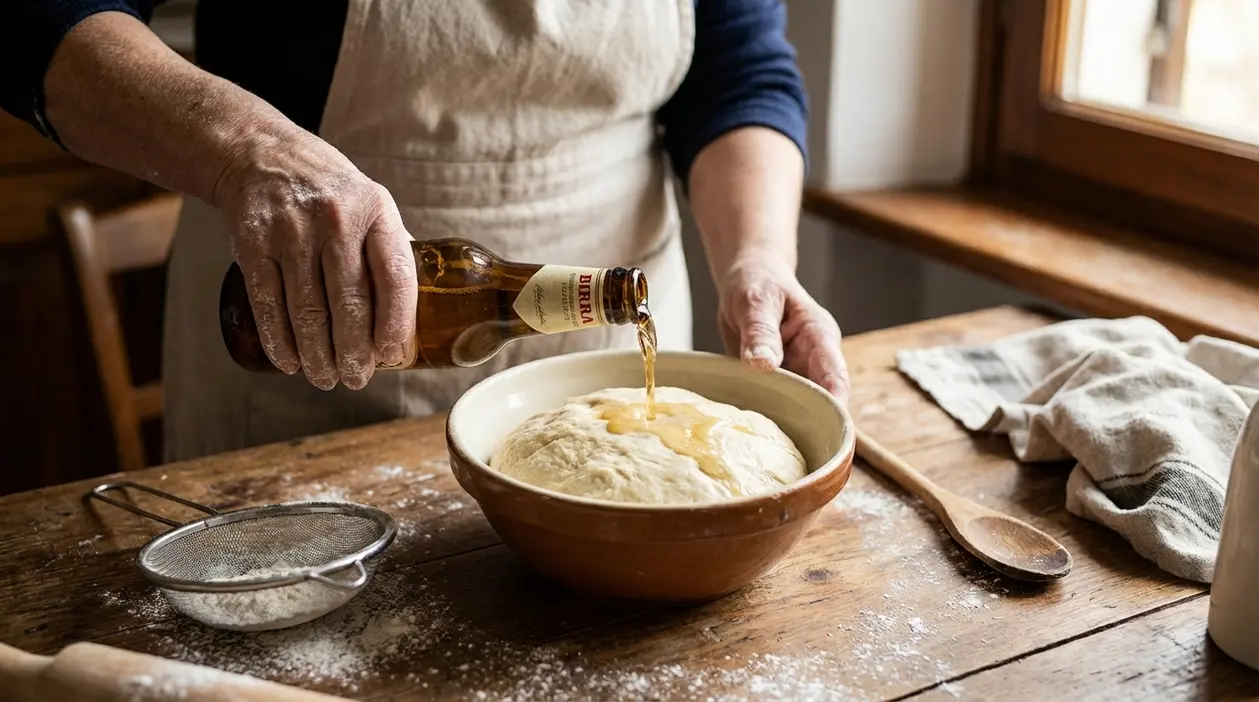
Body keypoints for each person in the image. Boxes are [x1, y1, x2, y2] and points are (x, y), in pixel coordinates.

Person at [1, 0, 851, 462]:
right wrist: (249, 152)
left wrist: (757, 256)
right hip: (311, 325)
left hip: (611, 322)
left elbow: (739, 71)